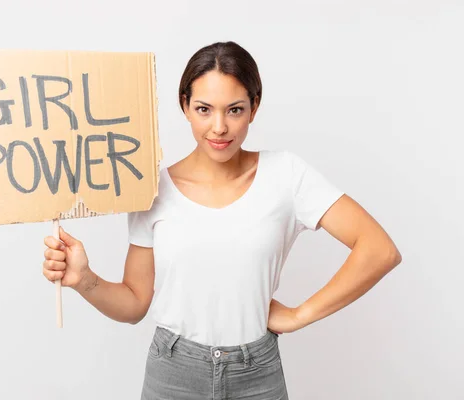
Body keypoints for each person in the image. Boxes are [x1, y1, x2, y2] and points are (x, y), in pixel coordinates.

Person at [42, 41, 402, 400]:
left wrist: (299, 315)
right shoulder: (151, 190)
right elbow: (135, 303)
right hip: (173, 374)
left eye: (234, 110)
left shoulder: (287, 176)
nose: (219, 127)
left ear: (253, 108)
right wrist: (84, 280)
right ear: (184, 105)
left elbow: (379, 249)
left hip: (257, 373)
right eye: (203, 109)